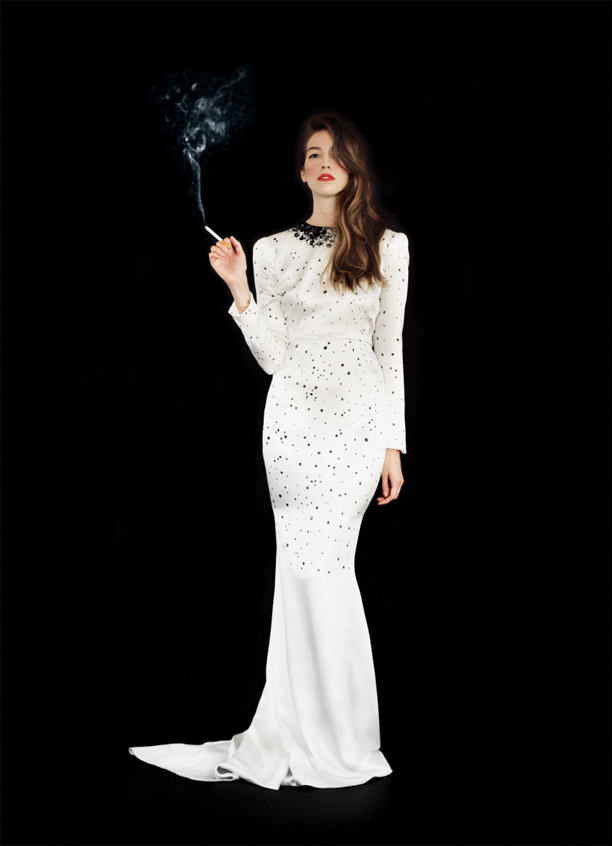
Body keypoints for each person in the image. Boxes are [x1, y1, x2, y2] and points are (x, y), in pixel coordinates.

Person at [129, 112, 410, 789]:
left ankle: (339, 735)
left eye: (335, 153)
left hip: (356, 428)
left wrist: (392, 446)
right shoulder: (272, 249)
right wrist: (238, 288)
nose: (324, 162)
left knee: (330, 570)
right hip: (292, 427)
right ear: (300, 170)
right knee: (303, 572)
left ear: (353, 167)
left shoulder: (390, 246)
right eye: (313, 153)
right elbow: (274, 357)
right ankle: (309, 732)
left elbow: (389, 349)